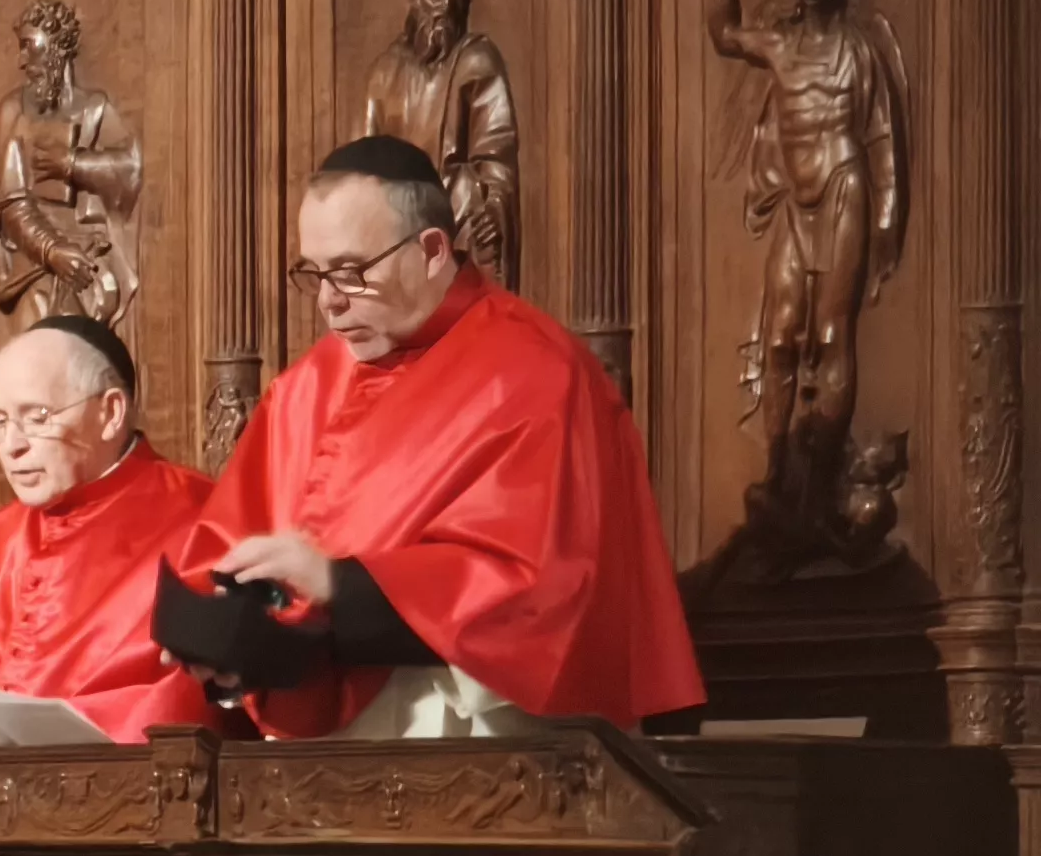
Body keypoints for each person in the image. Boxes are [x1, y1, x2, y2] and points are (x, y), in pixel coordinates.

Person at [169, 136, 701, 738]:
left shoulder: (535, 370)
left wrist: (340, 586)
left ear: (430, 249)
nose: (329, 301)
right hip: (312, 762)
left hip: (471, 740)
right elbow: (232, 545)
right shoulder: (305, 386)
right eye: (313, 274)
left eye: (351, 271)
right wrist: (224, 638)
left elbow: (543, 596)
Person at [0, 316, 215, 741]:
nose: (12, 444)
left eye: (37, 417)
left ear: (109, 412)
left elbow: (189, 710)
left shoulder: (203, 522)